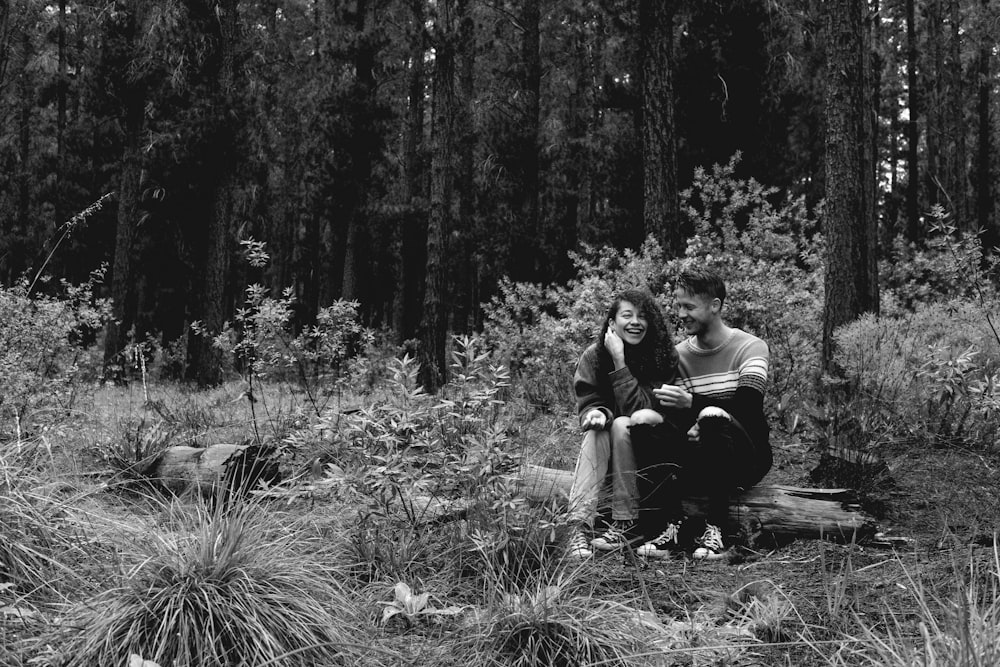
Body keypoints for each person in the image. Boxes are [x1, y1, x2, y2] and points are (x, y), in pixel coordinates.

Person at [633, 267, 772, 560]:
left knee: (711, 415)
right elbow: (674, 414)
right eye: (678, 306)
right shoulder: (679, 355)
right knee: (645, 422)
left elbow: (748, 408)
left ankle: (717, 529)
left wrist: (696, 409)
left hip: (747, 457)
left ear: (715, 306)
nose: (681, 314)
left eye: (689, 307)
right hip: (699, 453)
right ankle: (670, 527)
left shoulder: (750, 347)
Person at [565, 288, 679, 559]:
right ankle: (577, 527)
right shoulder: (593, 356)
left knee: (621, 424)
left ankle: (625, 522)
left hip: (649, 451)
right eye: (626, 315)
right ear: (612, 323)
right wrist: (595, 414)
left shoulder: (664, 356)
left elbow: (640, 411)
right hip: (609, 452)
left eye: (642, 316)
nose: (635, 322)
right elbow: (589, 400)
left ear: (651, 323)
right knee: (597, 432)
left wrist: (619, 361)